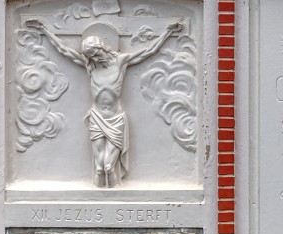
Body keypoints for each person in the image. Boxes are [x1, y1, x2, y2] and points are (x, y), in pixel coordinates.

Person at [26, 18, 182, 187]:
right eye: (90, 55)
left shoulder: (121, 61)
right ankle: (99, 198)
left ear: (102, 47)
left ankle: (114, 195)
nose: (94, 57)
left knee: (109, 166)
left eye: (95, 53)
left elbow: (148, 51)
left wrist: (168, 32)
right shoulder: (90, 65)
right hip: (97, 117)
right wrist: (43, 28)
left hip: (115, 118)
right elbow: (63, 50)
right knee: (99, 168)